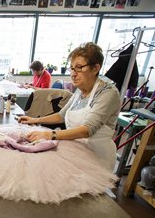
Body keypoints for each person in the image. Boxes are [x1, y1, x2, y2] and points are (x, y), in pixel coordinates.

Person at [18, 42, 121, 170]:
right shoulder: (80, 91)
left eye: (79, 68)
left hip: (97, 159)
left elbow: (87, 129)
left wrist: (49, 135)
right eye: (72, 68)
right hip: (76, 152)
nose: (73, 74)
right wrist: (35, 120)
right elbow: (61, 116)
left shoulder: (107, 93)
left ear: (95, 68)